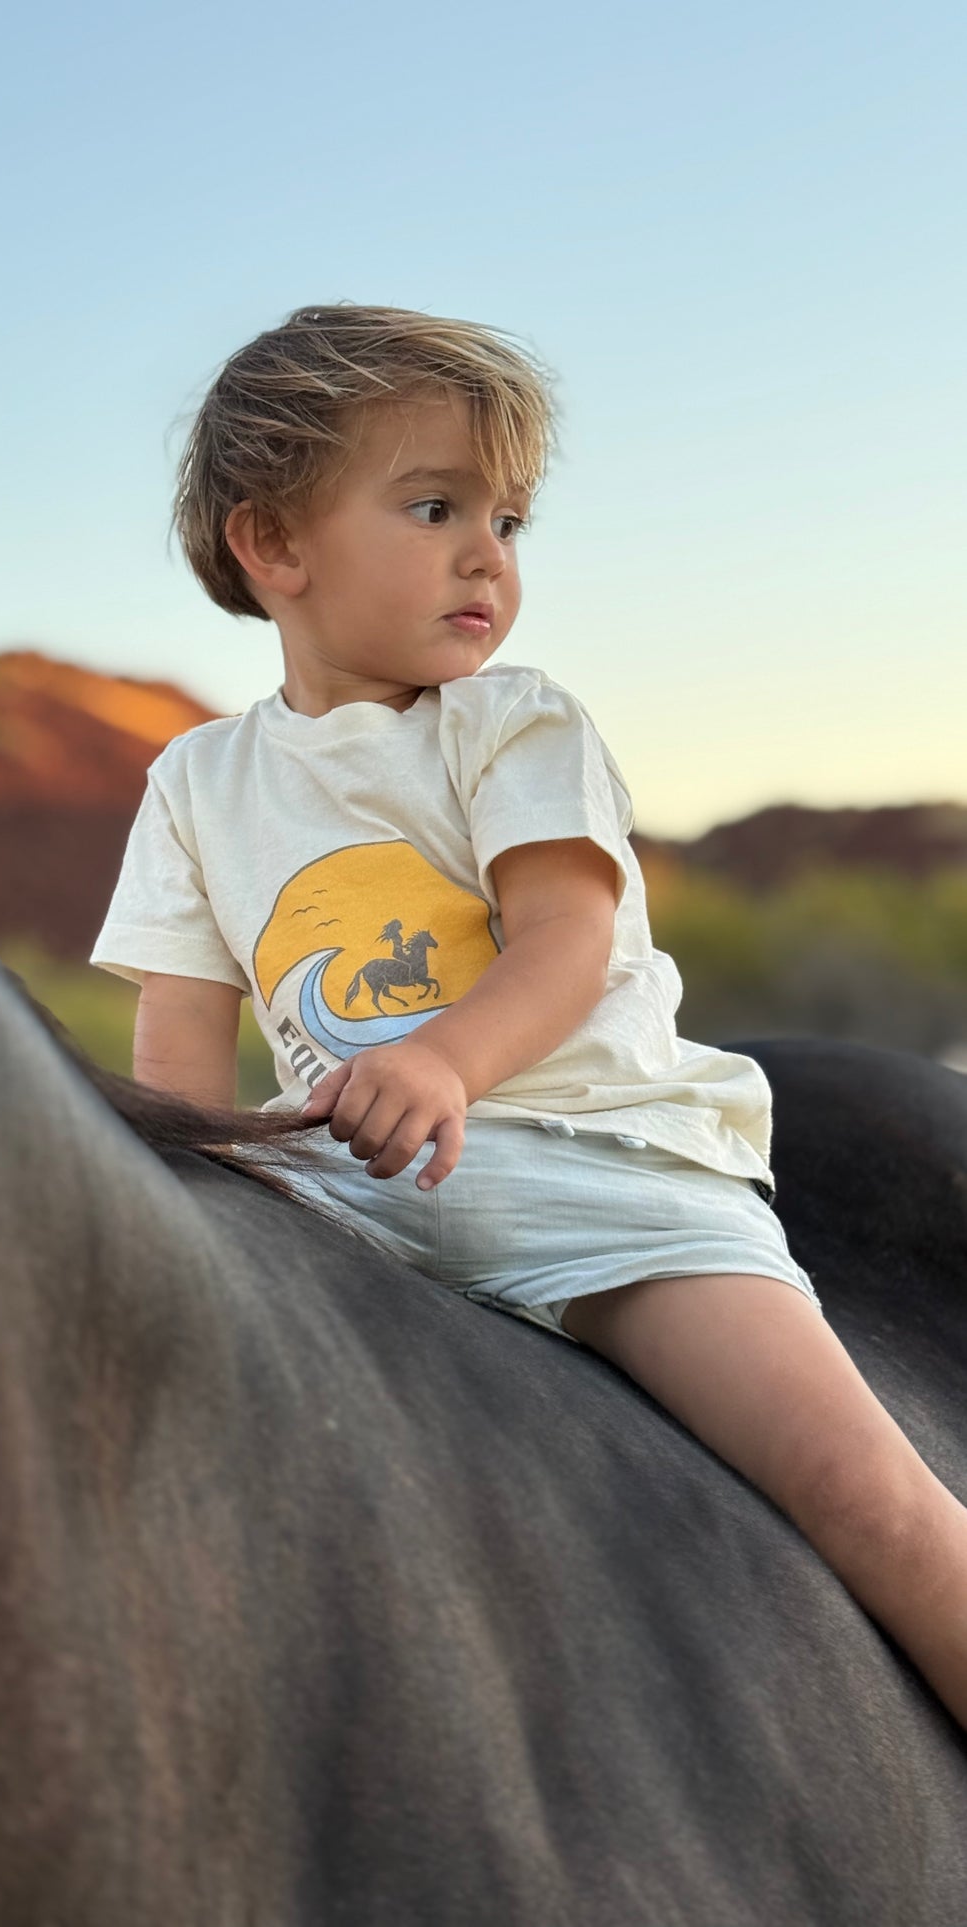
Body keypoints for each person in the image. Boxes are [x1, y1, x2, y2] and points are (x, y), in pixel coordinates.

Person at [90, 302, 967, 1728]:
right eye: (434, 507)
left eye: (507, 520)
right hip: (351, 1193)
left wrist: (441, 1056)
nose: (487, 554)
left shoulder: (511, 723)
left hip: (602, 1186)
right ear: (275, 544)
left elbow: (566, 942)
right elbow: (179, 1048)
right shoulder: (196, 783)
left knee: (864, 1495)